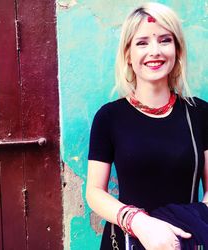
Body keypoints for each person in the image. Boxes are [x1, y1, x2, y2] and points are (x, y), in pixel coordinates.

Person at [86, 2, 208, 250]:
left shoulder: (200, 113)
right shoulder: (109, 117)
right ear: (128, 55)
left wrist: (190, 225)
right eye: (142, 43)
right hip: (126, 240)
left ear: (177, 49)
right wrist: (140, 223)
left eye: (165, 40)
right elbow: (95, 192)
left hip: (185, 241)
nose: (155, 51)